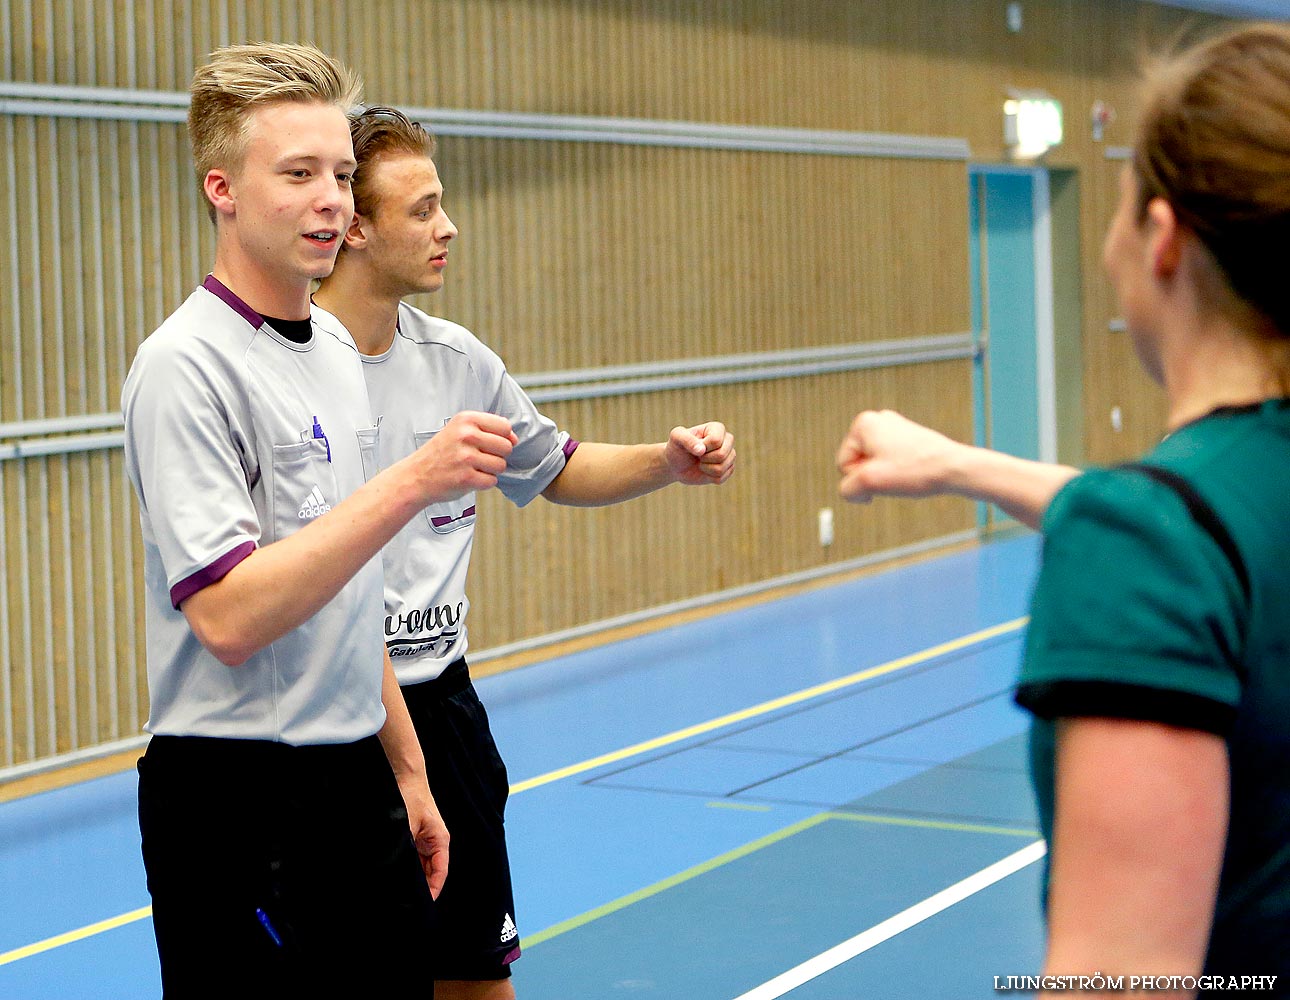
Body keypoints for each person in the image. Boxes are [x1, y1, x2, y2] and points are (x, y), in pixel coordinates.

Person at [839, 23, 1290, 992]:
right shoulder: (1182, 519)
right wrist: (962, 464)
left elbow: (1125, 977)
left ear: (1162, 240)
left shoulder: (1143, 542)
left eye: (1120, 206)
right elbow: (1225, 522)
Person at [122, 44, 522, 997]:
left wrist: (410, 771)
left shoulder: (335, 352)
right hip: (239, 798)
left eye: (340, 174)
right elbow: (228, 615)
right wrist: (413, 481)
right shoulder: (185, 367)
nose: (332, 200)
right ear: (222, 187)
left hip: (357, 780)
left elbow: (345, 595)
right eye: (297, 174)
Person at [311, 106, 736, 1000]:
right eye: (422, 209)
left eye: (443, 204)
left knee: (477, 975)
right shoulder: (291, 371)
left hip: (446, 708)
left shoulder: (457, 359)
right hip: (337, 727)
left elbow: (555, 465)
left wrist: (667, 462)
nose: (447, 225)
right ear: (356, 227)